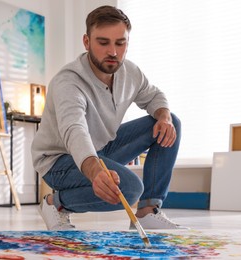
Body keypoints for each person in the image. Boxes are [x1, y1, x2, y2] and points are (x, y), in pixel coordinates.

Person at [31, 5, 183, 231]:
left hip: (101, 147)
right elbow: (75, 130)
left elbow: (154, 96)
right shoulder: (68, 82)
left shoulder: (130, 72)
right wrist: (96, 172)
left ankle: (147, 212)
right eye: (103, 43)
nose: (113, 51)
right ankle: (56, 204)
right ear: (86, 42)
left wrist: (164, 116)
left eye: (120, 43)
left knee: (171, 123)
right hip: (59, 160)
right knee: (130, 188)